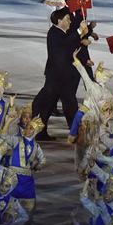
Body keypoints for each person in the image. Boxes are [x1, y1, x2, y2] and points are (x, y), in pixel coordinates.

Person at [31, 8, 88, 140]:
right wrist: (79, 31)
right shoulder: (54, 33)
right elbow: (67, 43)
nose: (69, 22)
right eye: (67, 19)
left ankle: (44, 131)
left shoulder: (62, 33)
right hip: (57, 77)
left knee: (58, 105)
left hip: (61, 76)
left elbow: (70, 46)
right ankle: (73, 133)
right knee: (55, 105)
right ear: (59, 20)